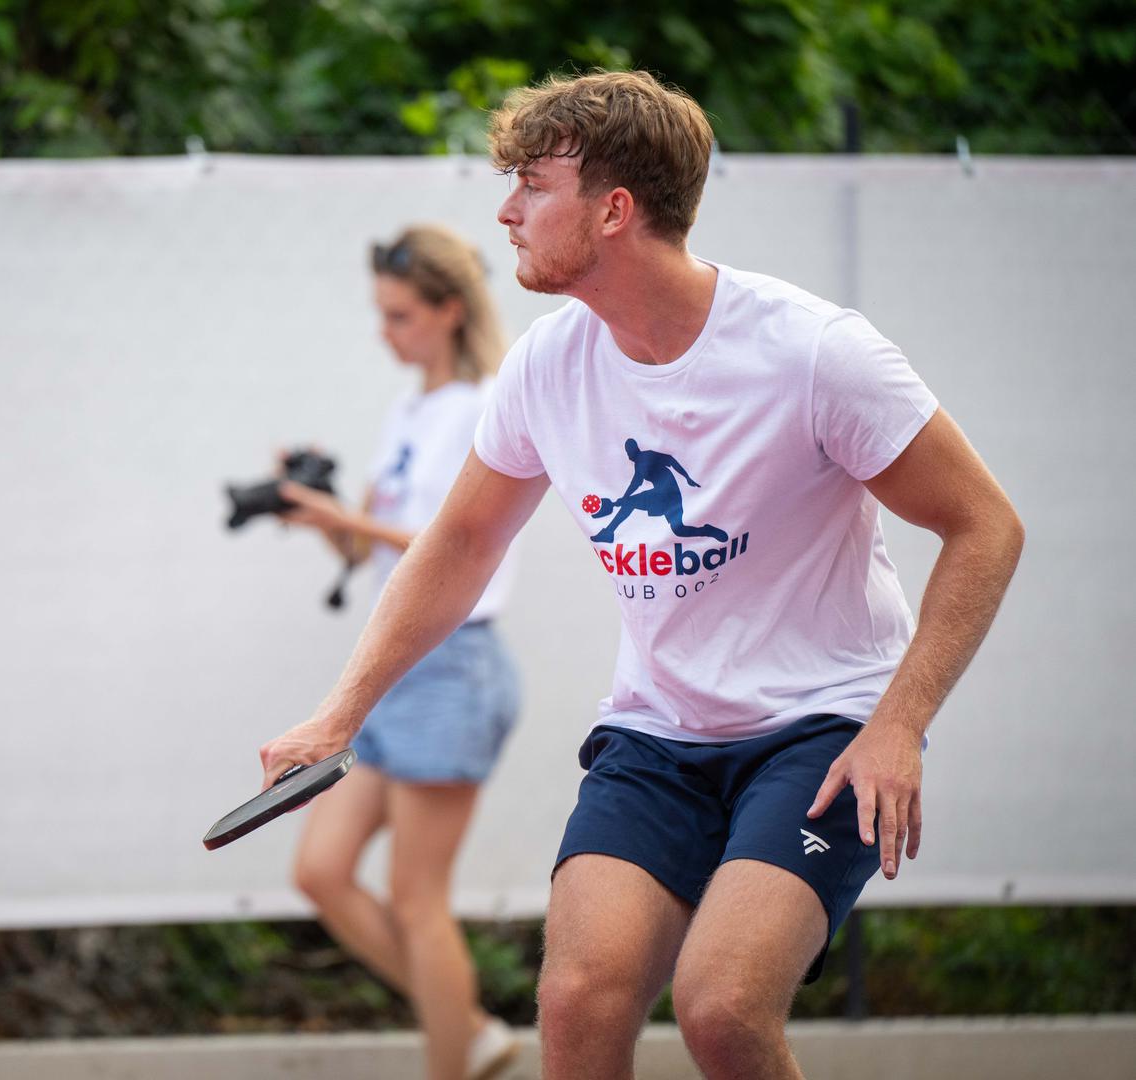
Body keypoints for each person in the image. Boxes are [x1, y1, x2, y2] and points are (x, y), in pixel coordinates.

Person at [260, 70, 1024, 1080]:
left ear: (613, 210)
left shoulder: (809, 354)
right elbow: (457, 544)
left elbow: (984, 526)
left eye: (531, 184)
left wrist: (896, 721)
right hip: (658, 731)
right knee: (576, 1004)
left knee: (720, 1011)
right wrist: (338, 712)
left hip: (818, 727)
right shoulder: (546, 365)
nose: (505, 209)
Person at [273, 224, 524, 1080]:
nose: (386, 332)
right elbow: (374, 555)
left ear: (449, 311)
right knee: (320, 871)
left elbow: (446, 543)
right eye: (381, 315)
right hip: (398, 670)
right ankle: (472, 1029)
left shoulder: (483, 405)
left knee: (420, 901)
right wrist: (321, 516)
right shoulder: (411, 409)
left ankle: (453, 1056)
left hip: (452, 667)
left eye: (401, 315)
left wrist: (348, 520)